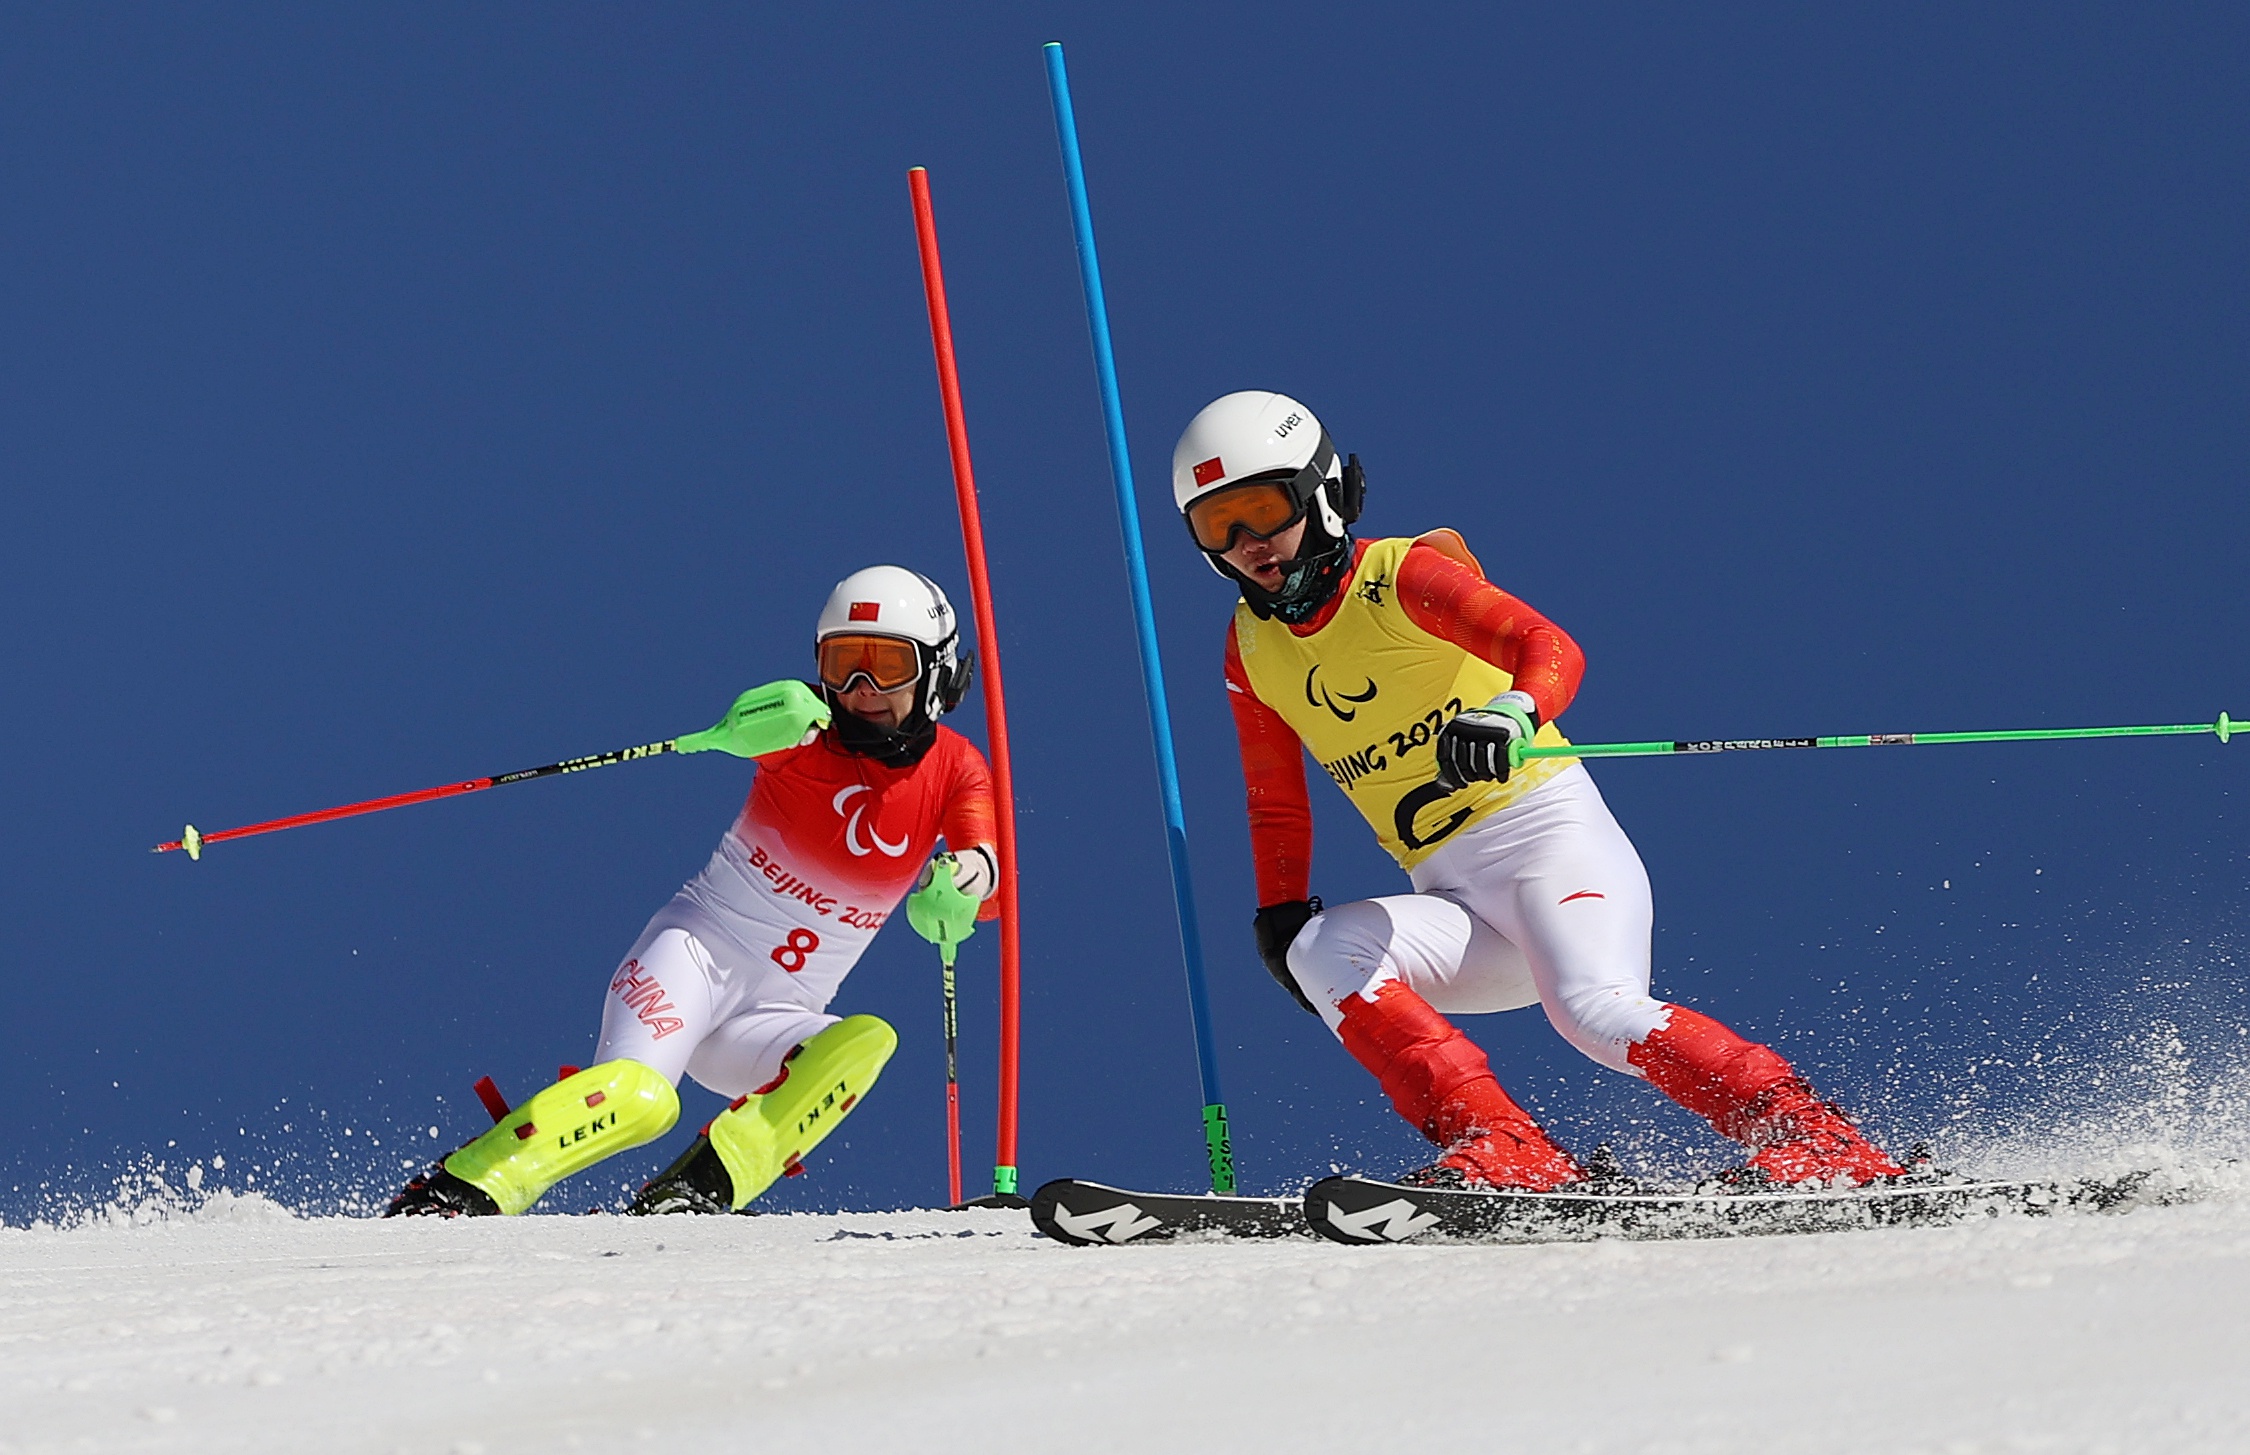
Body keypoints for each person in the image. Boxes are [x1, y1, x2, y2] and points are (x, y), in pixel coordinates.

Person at [1175, 390, 1903, 1189]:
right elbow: (1274, 798)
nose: (1249, 542)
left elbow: (1546, 644)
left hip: (1552, 847)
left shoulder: (1397, 575)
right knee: (1323, 948)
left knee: (1594, 1011)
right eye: (1218, 525)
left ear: (1320, 494)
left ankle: (1821, 1141)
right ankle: (1512, 1151)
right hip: (1454, 896)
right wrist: (1279, 911)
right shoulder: (1252, 649)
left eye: (1262, 508)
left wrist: (1512, 709)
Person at [386, 565, 999, 1217]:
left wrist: (965, 885)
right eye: (843, 662)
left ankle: (702, 1186)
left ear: (935, 671)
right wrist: (750, 724)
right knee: (640, 1099)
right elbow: (753, 723)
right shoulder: (804, 738)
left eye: (888, 665)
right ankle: (462, 1186)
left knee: (865, 1040)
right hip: (691, 960)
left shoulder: (957, 770)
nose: (861, 688)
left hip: (774, 1014)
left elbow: (986, 881)